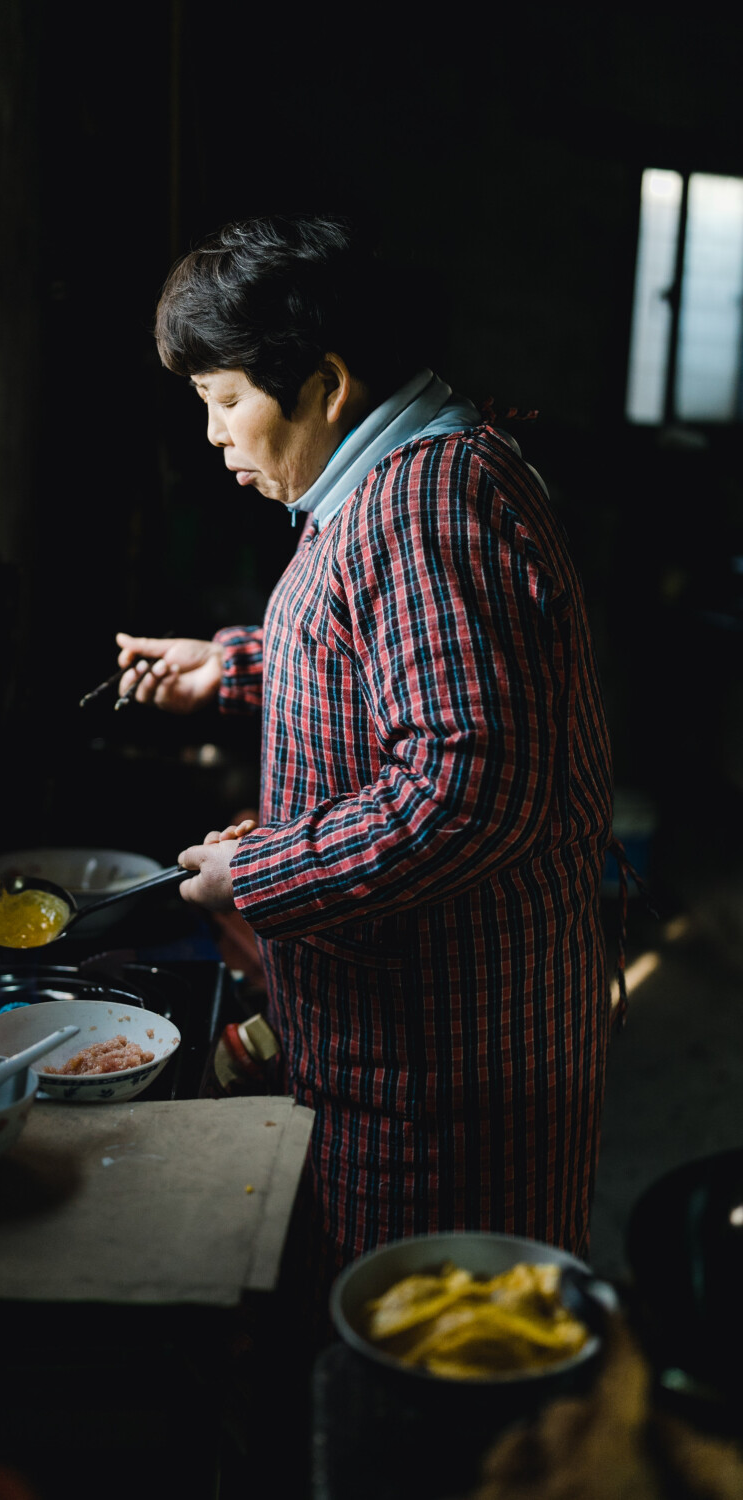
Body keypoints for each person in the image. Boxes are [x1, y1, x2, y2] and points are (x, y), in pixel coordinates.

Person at [117, 213, 614, 1320]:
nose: (213, 436)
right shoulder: (392, 486)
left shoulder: (423, 510)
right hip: (409, 1041)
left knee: (435, 1353)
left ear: (326, 383)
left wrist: (258, 879)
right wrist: (231, 666)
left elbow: (467, 789)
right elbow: (379, 663)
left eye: (225, 399)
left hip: (449, 1069)